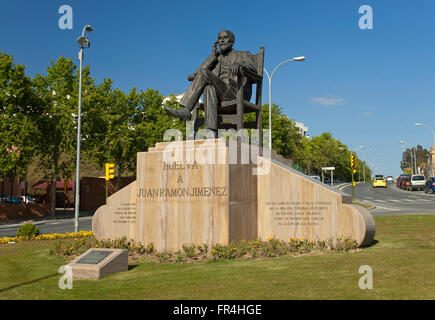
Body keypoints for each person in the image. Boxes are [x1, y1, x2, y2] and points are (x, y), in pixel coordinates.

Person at [165, 30, 257, 134]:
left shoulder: (243, 54)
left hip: (236, 91)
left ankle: (186, 110)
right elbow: (198, 73)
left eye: (225, 38)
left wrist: (240, 65)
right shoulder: (216, 59)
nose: (221, 41)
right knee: (209, 88)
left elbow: (254, 69)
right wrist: (213, 55)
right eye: (219, 38)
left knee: (205, 74)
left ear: (232, 41)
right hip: (220, 94)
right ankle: (211, 130)